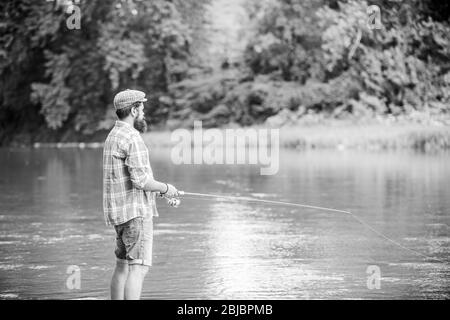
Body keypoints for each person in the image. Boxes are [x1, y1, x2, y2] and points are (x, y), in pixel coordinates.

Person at [103, 89, 178, 300]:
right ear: (134, 110)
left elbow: (129, 180)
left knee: (122, 266)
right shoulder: (132, 137)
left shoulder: (112, 136)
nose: (144, 112)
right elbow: (142, 181)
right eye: (142, 108)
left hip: (119, 214)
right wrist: (166, 188)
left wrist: (161, 193)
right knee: (139, 268)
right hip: (136, 215)